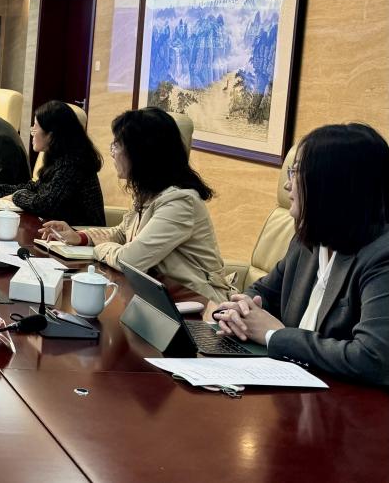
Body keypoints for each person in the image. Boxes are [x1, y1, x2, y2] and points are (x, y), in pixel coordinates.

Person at [213, 124, 389, 387]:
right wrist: (239, 312)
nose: (287, 185)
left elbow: (372, 358)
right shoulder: (308, 240)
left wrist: (274, 335)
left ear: (330, 184)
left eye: (295, 173)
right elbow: (263, 292)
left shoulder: (381, 256)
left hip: (345, 404)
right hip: (290, 388)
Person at [40, 107, 232, 304]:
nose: (112, 153)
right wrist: (80, 237)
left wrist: (100, 249)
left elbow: (129, 261)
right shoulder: (149, 192)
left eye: (117, 145)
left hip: (198, 305)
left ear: (140, 153)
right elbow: (122, 233)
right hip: (158, 297)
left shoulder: (180, 202)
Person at [0, 101, 104, 225]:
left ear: (51, 134)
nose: (32, 132)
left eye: (35, 127)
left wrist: (16, 196)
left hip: (80, 236)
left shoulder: (73, 164)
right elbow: (35, 187)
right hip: (57, 231)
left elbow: (46, 204)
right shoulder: (59, 157)